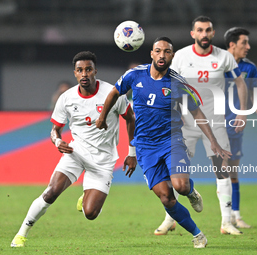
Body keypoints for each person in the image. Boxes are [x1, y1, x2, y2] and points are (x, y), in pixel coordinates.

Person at [96, 37, 231, 248]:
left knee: (180, 186)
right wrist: (102, 117)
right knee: (167, 198)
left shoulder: (178, 83)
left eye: (166, 52)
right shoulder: (135, 75)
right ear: (151, 53)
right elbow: (114, 92)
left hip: (171, 141)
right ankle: (198, 234)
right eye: (158, 51)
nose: (162, 55)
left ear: (172, 56)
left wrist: (213, 141)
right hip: (145, 147)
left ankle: (191, 191)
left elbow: (197, 112)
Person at [10, 51, 137, 248]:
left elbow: (130, 119)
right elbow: (55, 130)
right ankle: (21, 234)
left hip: (103, 161)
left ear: (95, 71)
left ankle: (88, 197)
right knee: (51, 192)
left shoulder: (113, 93)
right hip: (75, 153)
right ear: (75, 73)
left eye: (88, 69)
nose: (84, 74)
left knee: (91, 214)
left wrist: (131, 153)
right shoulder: (66, 98)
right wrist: (57, 141)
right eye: (80, 70)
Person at [154, 16, 248, 236]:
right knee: (176, 173)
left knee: (222, 170)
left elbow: (240, 83)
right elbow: (168, 85)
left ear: (213, 33)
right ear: (193, 34)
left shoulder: (224, 57)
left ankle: (226, 222)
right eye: (200, 30)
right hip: (185, 123)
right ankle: (170, 218)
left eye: (207, 30)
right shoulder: (180, 57)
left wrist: (242, 112)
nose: (204, 34)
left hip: (214, 123)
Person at [223, 27, 257, 228]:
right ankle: (226, 218)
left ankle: (235, 214)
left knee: (233, 173)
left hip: (236, 128)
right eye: (245, 43)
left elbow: (254, 95)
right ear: (232, 45)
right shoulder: (215, 63)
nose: (248, 47)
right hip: (215, 126)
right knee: (224, 171)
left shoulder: (249, 68)